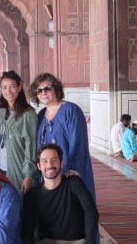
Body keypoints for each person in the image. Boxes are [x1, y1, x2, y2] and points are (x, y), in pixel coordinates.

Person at [18, 144, 100, 244]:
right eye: (45, 161)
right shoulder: (32, 196)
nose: (50, 165)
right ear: (39, 166)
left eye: (54, 160)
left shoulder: (74, 183)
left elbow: (91, 212)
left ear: (61, 163)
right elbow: (27, 230)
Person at [28, 72, 95, 201]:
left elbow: (79, 143)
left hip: (68, 171)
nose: (44, 93)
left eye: (48, 89)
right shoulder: (41, 115)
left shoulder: (71, 111)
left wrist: (72, 170)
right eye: (39, 90)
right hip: (48, 172)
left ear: (56, 89)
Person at [0, 70, 37, 195]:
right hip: (0, 168)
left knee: (20, 204)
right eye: (4, 88)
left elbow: (31, 144)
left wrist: (28, 176)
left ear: (19, 87)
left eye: (12, 87)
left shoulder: (28, 114)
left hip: (18, 169)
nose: (8, 91)